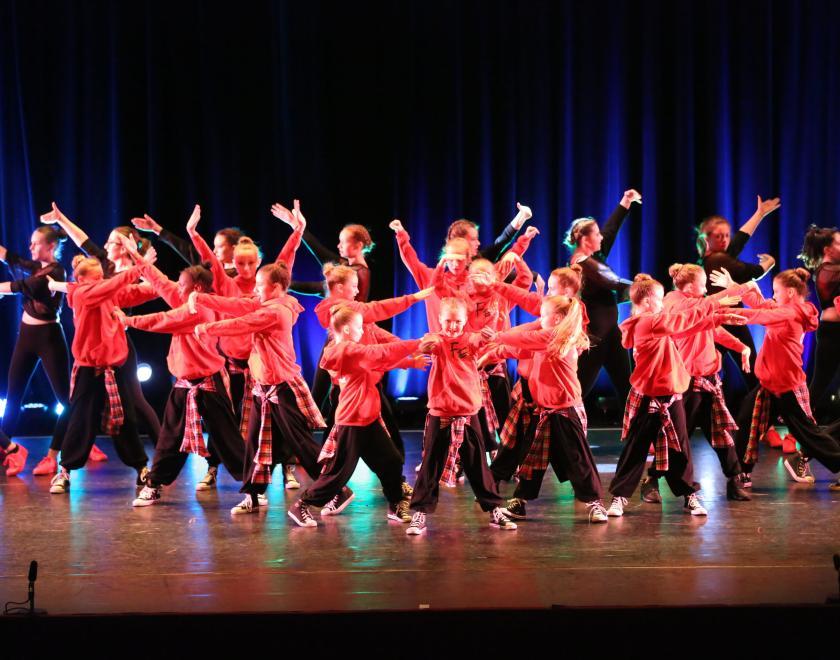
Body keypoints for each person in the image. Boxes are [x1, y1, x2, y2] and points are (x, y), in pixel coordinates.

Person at [109, 251, 246, 508]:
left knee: (227, 438)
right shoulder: (187, 299)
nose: (177, 288)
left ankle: (254, 488)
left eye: (181, 284)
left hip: (208, 383)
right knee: (170, 438)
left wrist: (128, 320)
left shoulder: (201, 309)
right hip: (184, 385)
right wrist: (136, 256)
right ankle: (154, 485)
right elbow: (161, 283)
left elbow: (165, 320)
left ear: (197, 287)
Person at [187, 202, 304, 490]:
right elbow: (209, 261)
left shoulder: (268, 282)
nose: (248, 268)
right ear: (233, 262)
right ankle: (214, 467)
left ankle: (287, 467)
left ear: (259, 260)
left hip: (265, 367)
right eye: (241, 263)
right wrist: (192, 232)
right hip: (235, 366)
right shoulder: (227, 285)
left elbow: (286, 258)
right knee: (227, 418)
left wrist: (298, 229)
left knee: (280, 419)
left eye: (252, 263)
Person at [193, 262, 326, 515]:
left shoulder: (275, 311)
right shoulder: (268, 304)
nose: (255, 289)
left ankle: (334, 488)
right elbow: (238, 305)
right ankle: (253, 495)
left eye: (260, 285)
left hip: (281, 387)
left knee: (302, 444)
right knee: (255, 445)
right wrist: (203, 300)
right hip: (263, 388)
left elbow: (241, 323)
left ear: (275, 287)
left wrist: (207, 328)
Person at [605, 274, 742, 517]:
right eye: (659, 299)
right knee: (635, 448)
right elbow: (682, 319)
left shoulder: (656, 322)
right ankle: (619, 497)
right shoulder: (646, 323)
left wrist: (717, 318)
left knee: (680, 448)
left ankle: (689, 495)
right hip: (649, 396)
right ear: (647, 302)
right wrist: (716, 303)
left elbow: (689, 324)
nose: (663, 304)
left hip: (672, 395)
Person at [39, 202, 162, 451]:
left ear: (127, 246)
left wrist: (144, 264)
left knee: (135, 400)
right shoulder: (103, 265)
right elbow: (82, 241)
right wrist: (61, 219)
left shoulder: (134, 272)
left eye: (112, 242)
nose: (105, 246)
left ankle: (163, 450)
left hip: (117, 343)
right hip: (92, 342)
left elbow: (155, 288)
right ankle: (54, 455)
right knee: (79, 400)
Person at [288, 306, 425, 527]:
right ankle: (301, 505)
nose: (363, 331)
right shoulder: (345, 350)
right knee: (338, 474)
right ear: (347, 329)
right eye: (359, 327)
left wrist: (410, 362)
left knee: (391, 461)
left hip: (367, 419)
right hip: (352, 420)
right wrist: (418, 343)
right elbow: (379, 354)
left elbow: (378, 362)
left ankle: (395, 504)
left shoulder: (352, 349)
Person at [480, 296, 608, 523]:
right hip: (544, 411)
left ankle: (595, 503)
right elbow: (517, 348)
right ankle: (520, 502)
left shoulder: (559, 337)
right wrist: (491, 354)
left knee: (578, 459)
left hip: (565, 411)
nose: (540, 319)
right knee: (532, 458)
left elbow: (526, 336)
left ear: (557, 318)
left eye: (544, 314)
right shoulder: (543, 341)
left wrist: (498, 335)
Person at [639, 263, 752, 504]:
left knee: (721, 434)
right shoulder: (674, 302)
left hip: (709, 381)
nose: (706, 288)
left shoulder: (698, 305)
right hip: (686, 383)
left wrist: (741, 346)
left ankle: (734, 480)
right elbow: (702, 307)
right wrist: (742, 288)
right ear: (690, 286)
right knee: (676, 438)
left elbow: (714, 329)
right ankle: (652, 479)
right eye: (703, 284)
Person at [405, 297, 517, 535]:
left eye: (457, 321)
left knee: (478, 465)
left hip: (467, 413)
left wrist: (490, 330)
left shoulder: (470, 340)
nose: (453, 326)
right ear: (440, 320)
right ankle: (420, 513)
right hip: (441, 412)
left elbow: (481, 339)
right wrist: (422, 347)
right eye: (448, 321)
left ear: (465, 321)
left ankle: (494, 509)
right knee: (431, 464)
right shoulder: (436, 340)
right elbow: (426, 345)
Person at [46, 256, 154, 494]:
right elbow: (108, 287)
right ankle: (65, 470)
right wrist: (137, 267)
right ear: (80, 280)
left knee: (125, 419)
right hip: (88, 369)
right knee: (81, 419)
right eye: (94, 279)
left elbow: (140, 291)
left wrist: (168, 284)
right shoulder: (80, 295)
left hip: (114, 368)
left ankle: (141, 467)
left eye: (101, 278)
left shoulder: (109, 292)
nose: (100, 282)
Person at [731, 270, 840, 490]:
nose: (773, 295)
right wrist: (735, 286)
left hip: (787, 385)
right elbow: (761, 304)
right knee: (746, 420)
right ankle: (742, 471)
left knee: (808, 433)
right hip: (770, 384)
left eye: (776, 291)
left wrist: (724, 313)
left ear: (790, 292)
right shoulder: (785, 309)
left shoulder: (791, 313)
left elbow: (762, 315)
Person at [0, 226, 70, 476]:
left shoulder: (56, 272)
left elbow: (23, 285)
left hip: (49, 338)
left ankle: (54, 455)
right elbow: (16, 261)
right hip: (26, 337)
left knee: (66, 401)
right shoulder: (37, 267)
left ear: (50, 247)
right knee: (13, 396)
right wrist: (5, 254)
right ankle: (7, 451)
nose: (30, 247)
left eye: (35, 243)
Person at [565, 189, 642, 406]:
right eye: (596, 234)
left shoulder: (593, 256)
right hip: (594, 338)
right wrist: (644, 290)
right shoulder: (580, 264)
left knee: (628, 389)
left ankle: (638, 436)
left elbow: (610, 230)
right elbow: (611, 281)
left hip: (610, 335)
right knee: (577, 391)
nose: (601, 237)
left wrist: (625, 202)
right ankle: (561, 431)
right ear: (584, 239)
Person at [698, 195, 781, 390]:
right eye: (718, 236)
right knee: (752, 369)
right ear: (706, 238)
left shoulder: (712, 258)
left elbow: (738, 242)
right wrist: (768, 264)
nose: (725, 239)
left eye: (727, 235)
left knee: (707, 373)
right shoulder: (719, 260)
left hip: (717, 320)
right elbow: (750, 272)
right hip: (730, 320)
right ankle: (761, 410)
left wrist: (759, 214)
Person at [798, 226, 840, 421]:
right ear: (828, 250)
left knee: (821, 381)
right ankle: (799, 424)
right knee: (820, 382)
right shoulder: (827, 270)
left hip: (833, 331)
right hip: (833, 333)